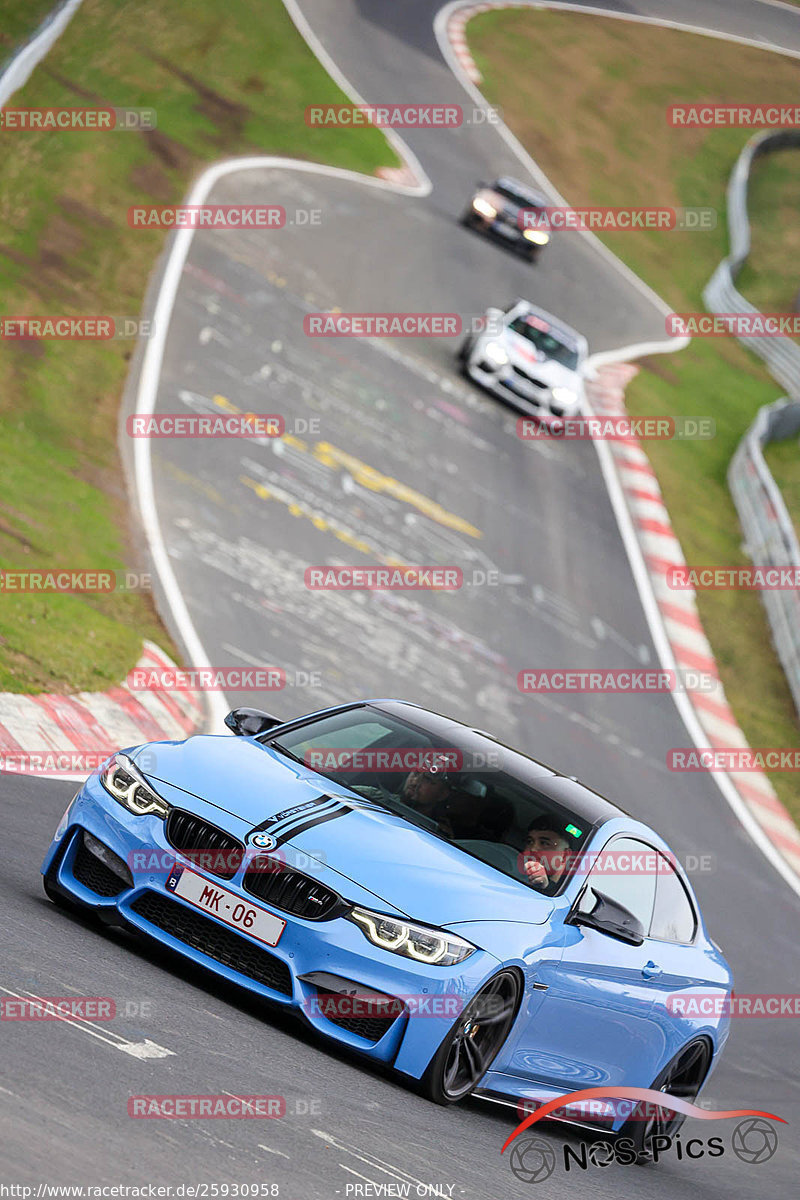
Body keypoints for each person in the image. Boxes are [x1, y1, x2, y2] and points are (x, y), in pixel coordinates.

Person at [521, 816, 573, 891]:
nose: (533, 849)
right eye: (529, 842)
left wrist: (544, 887)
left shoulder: (564, 894)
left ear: (565, 855)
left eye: (544, 843)